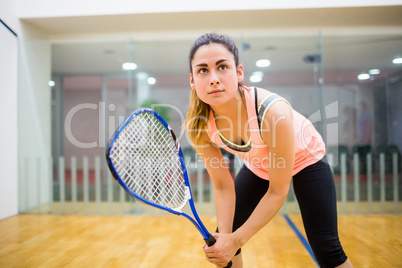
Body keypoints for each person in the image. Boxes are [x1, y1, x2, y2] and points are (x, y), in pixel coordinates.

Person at [185, 33, 353, 268]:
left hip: (306, 159)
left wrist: (236, 240)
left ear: (239, 72)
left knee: (327, 249)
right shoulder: (199, 126)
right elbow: (223, 185)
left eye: (222, 67)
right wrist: (226, 239)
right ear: (192, 80)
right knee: (223, 242)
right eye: (203, 70)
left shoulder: (273, 113)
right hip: (259, 165)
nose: (213, 78)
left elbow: (277, 191)